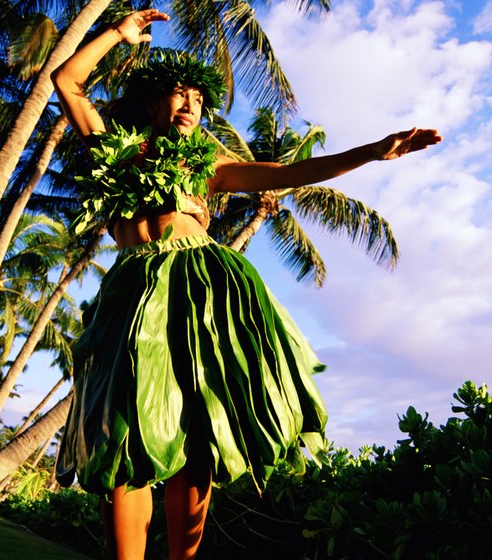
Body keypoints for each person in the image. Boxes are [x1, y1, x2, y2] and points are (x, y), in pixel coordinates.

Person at [51, 9, 442, 560]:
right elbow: (65, 81)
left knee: (197, 434)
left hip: (203, 285)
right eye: (179, 93)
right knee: (126, 431)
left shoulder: (208, 165)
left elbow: (288, 175)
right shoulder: (114, 150)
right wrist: (118, 34)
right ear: (150, 103)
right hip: (134, 291)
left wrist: (372, 151)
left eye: (198, 98)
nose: (190, 104)